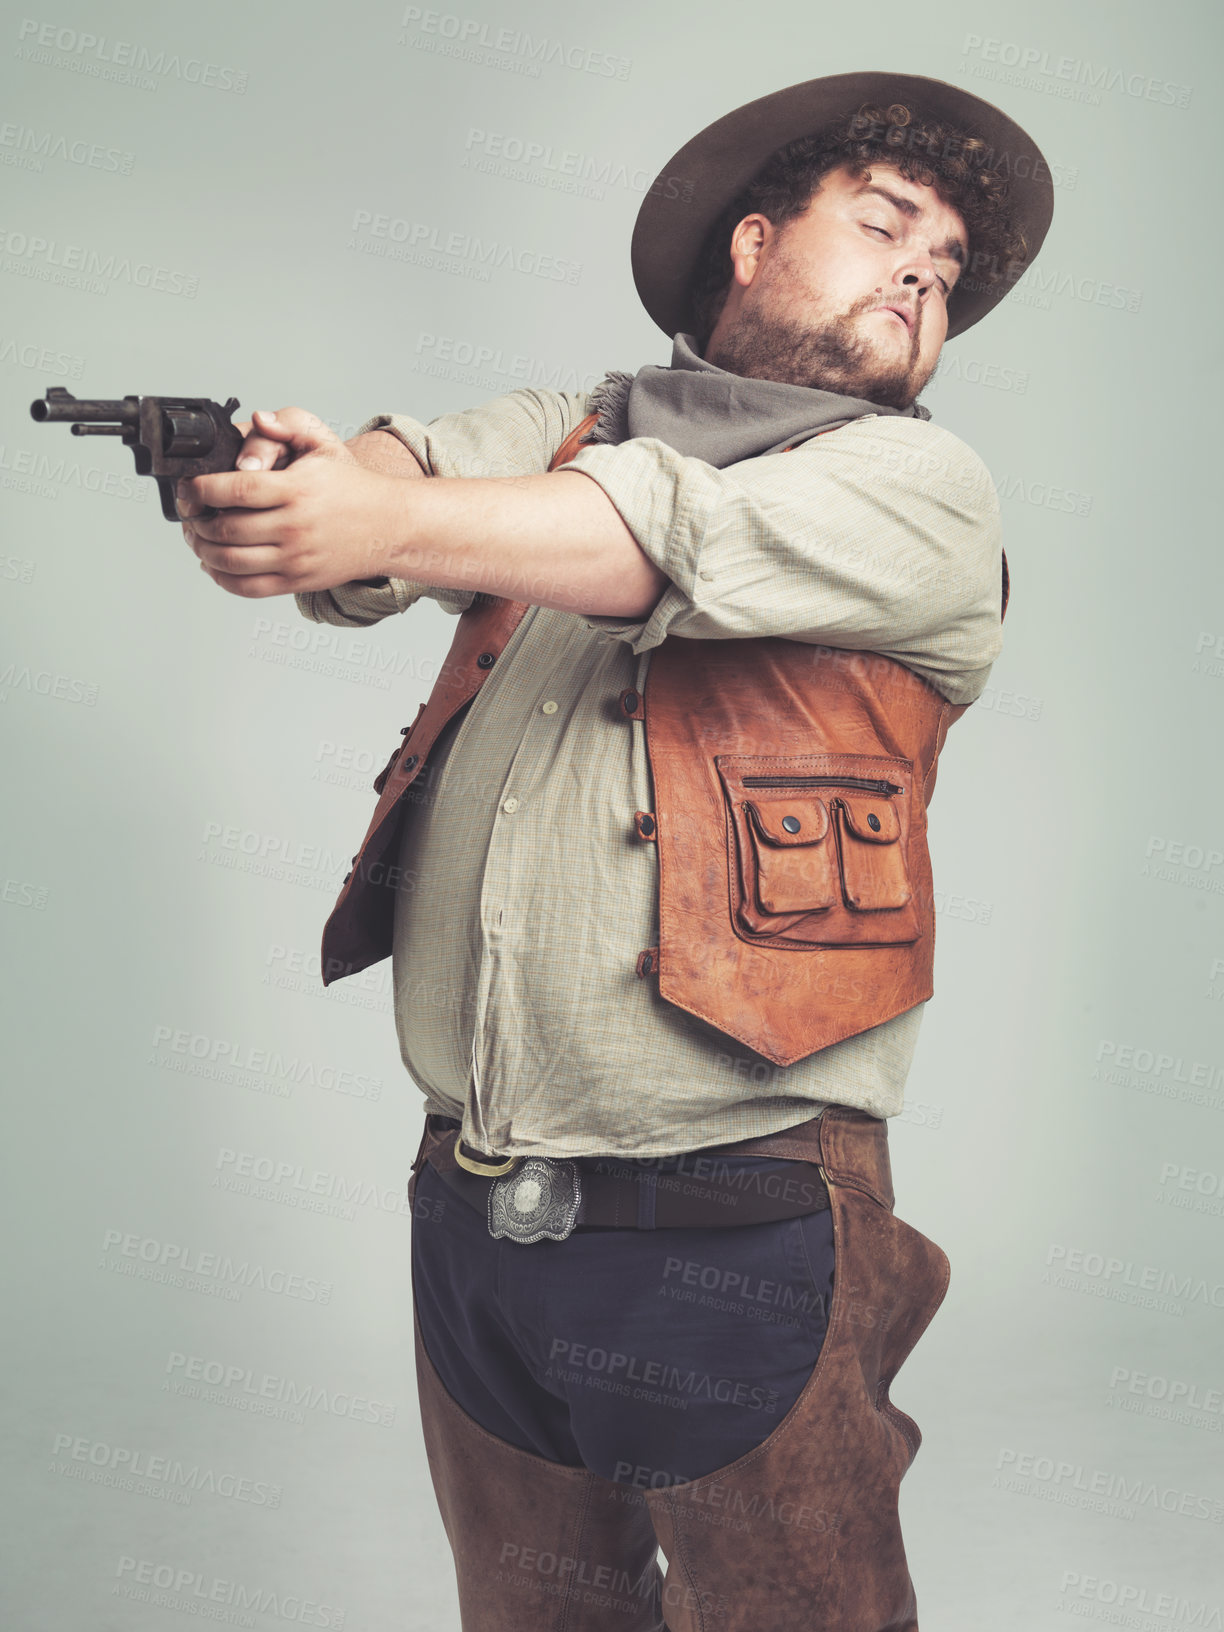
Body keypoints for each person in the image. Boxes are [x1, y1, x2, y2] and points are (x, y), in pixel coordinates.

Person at [176, 71, 1053, 1632]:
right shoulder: (564, 424)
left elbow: (639, 533)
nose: (929, 269)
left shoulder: (915, 488)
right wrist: (293, 483)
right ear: (754, 241)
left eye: (949, 267)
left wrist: (369, 523)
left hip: (745, 1221)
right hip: (472, 1206)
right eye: (887, 225)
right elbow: (413, 477)